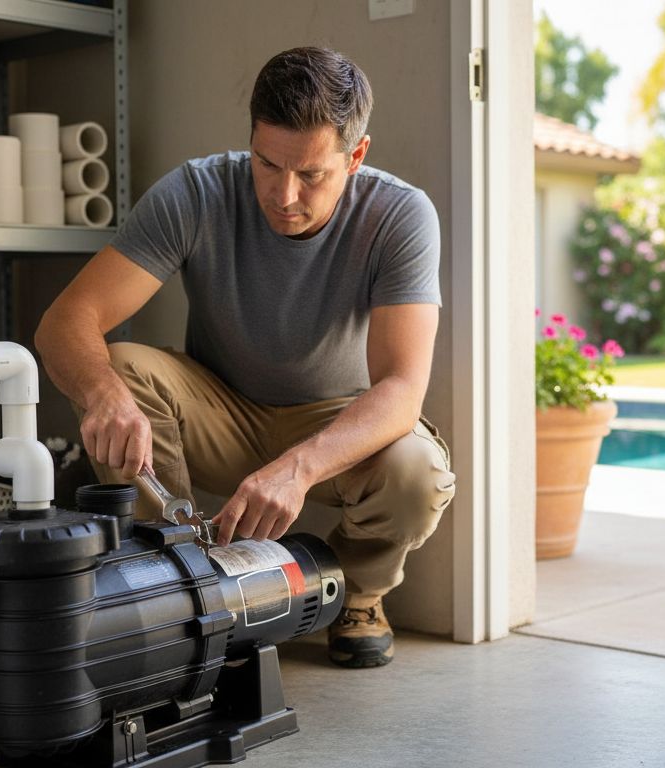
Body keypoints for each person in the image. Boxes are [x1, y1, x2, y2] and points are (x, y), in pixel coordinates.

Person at [35, 47, 456, 669]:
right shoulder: (196, 191)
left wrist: (298, 469)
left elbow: (401, 387)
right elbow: (65, 322)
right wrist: (101, 395)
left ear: (356, 156)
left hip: (334, 421)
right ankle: (181, 589)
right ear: (251, 142)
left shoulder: (400, 214)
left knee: (418, 474)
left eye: (311, 174)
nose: (284, 194)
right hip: (219, 406)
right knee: (119, 365)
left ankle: (360, 596)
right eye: (267, 164)